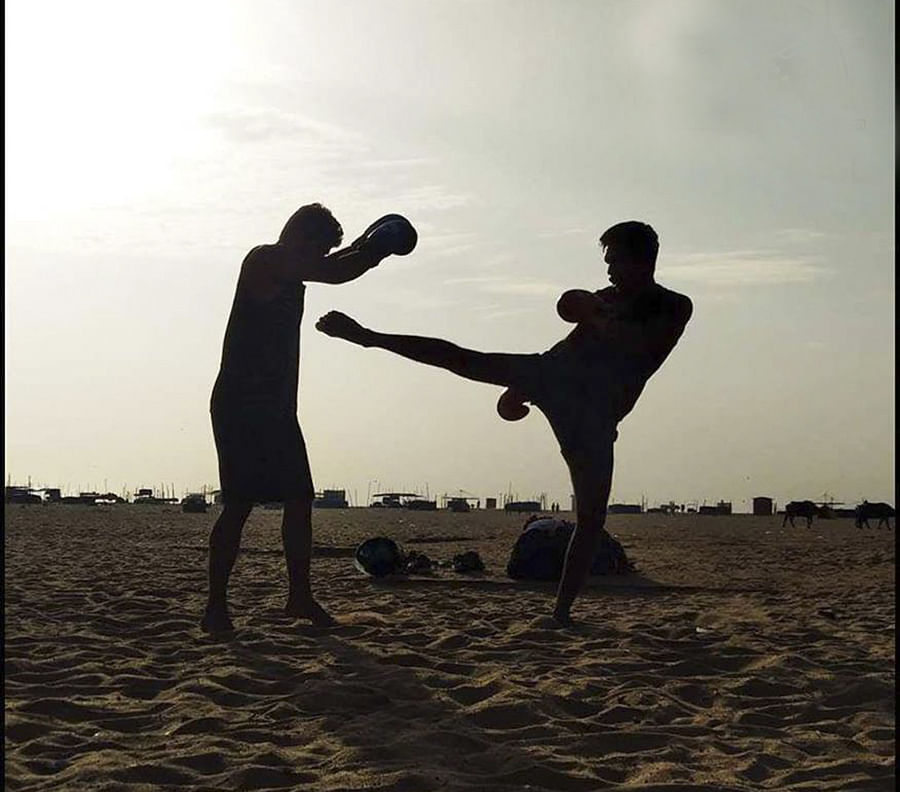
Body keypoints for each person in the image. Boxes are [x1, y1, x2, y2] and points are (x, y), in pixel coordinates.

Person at [316, 221, 692, 626]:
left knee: (590, 518)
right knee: (464, 359)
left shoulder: (671, 306)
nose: (609, 271)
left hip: (594, 413)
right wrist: (524, 386)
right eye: (607, 263)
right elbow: (570, 330)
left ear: (641, 261)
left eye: (615, 261)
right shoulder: (606, 298)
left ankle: (561, 612)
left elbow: (634, 346)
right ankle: (371, 336)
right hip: (554, 376)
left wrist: (594, 312)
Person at [204, 204, 415, 633]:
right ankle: (216, 607)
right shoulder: (265, 258)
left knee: (300, 501)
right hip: (242, 404)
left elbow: (336, 265)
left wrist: (366, 243)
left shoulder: (295, 269)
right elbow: (338, 271)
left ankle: (299, 596)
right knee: (239, 505)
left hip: (277, 406)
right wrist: (378, 244)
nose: (322, 256)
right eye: (319, 246)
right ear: (301, 237)